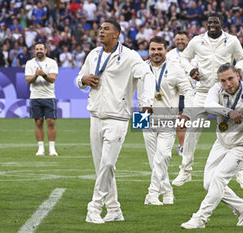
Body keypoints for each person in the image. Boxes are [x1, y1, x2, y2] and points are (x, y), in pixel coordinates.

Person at [76, 20, 155, 224]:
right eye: (100, 28)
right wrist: (83, 80)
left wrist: (146, 101)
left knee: (108, 163)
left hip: (118, 118)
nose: (101, 31)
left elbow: (146, 75)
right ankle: (114, 209)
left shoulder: (129, 56)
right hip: (95, 117)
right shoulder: (93, 54)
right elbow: (79, 78)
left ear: (116, 35)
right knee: (101, 167)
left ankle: (94, 208)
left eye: (106, 29)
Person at [181, 63, 243, 229]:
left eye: (231, 78)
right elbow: (208, 104)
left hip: (242, 145)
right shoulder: (216, 89)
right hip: (222, 143)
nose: (228, 84)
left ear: (238, 75)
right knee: (208, 184)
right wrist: (228, 112)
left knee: (218, 179)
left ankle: (200, 218)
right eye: (223, 81)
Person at [172, 13, 243, 189]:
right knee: (193, 130)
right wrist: (191, 69)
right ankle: (185, 171)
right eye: (210, 23)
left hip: (225, 91)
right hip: (203, 91)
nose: (212, 25)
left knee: (234, 131)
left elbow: (242, 57)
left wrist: (238, 69)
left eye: (215, 22)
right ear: (206, 24)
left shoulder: (231, 40)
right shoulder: (197, 40)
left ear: (221, 23)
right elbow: (183, 57)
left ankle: (241, 170)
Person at [140, 36, 193, 205]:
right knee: (153, 160)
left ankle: (153, 193)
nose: (156, 53)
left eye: (159, 49)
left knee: (163, 155)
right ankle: (168, 192)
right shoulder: (140, 68)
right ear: (149, 50)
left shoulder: (175, 68)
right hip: (143, 117)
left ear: (165, 50)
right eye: (153, 49)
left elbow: (189, 91)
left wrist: (187, 113)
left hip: (168, 117)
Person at [25, 42, 59, 156]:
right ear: (35, 51)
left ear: (46, 50)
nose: (39, 51)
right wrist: (36, 75)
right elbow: (28, 80)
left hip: (49, 96)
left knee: (51, 121)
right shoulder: (29, 63)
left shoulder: (52, 62)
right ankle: (40, 148)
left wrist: (43, 74)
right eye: (37, 49)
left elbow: (53, 79)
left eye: (41, 49)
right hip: (35, 97)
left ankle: (52, 148)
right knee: (38, 122)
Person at [166, 31, 194, 156]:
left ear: (187, 41)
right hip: (177, 92)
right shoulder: (169, 55)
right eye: (178, 39)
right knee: (181, 118)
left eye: (183, 39)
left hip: (193, 91)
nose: (180, 41)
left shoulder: (194, 54)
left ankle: (187, 144)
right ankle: (182, 145)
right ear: (174, 41)